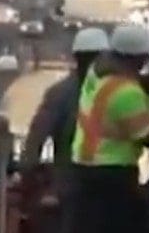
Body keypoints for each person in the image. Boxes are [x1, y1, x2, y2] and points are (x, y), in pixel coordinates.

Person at [66, 24, 149, 233]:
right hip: (112, 173)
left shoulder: (96, 75)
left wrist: (142, 84)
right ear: (138, 58)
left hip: (84, 167)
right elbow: (145, 137)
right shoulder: (128, 93)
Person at [20, 27, 109, 222]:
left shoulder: (60, 93)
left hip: (80, 188)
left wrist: (29, 175)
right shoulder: (114, 93)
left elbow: (36, 138)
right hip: (84, 189)